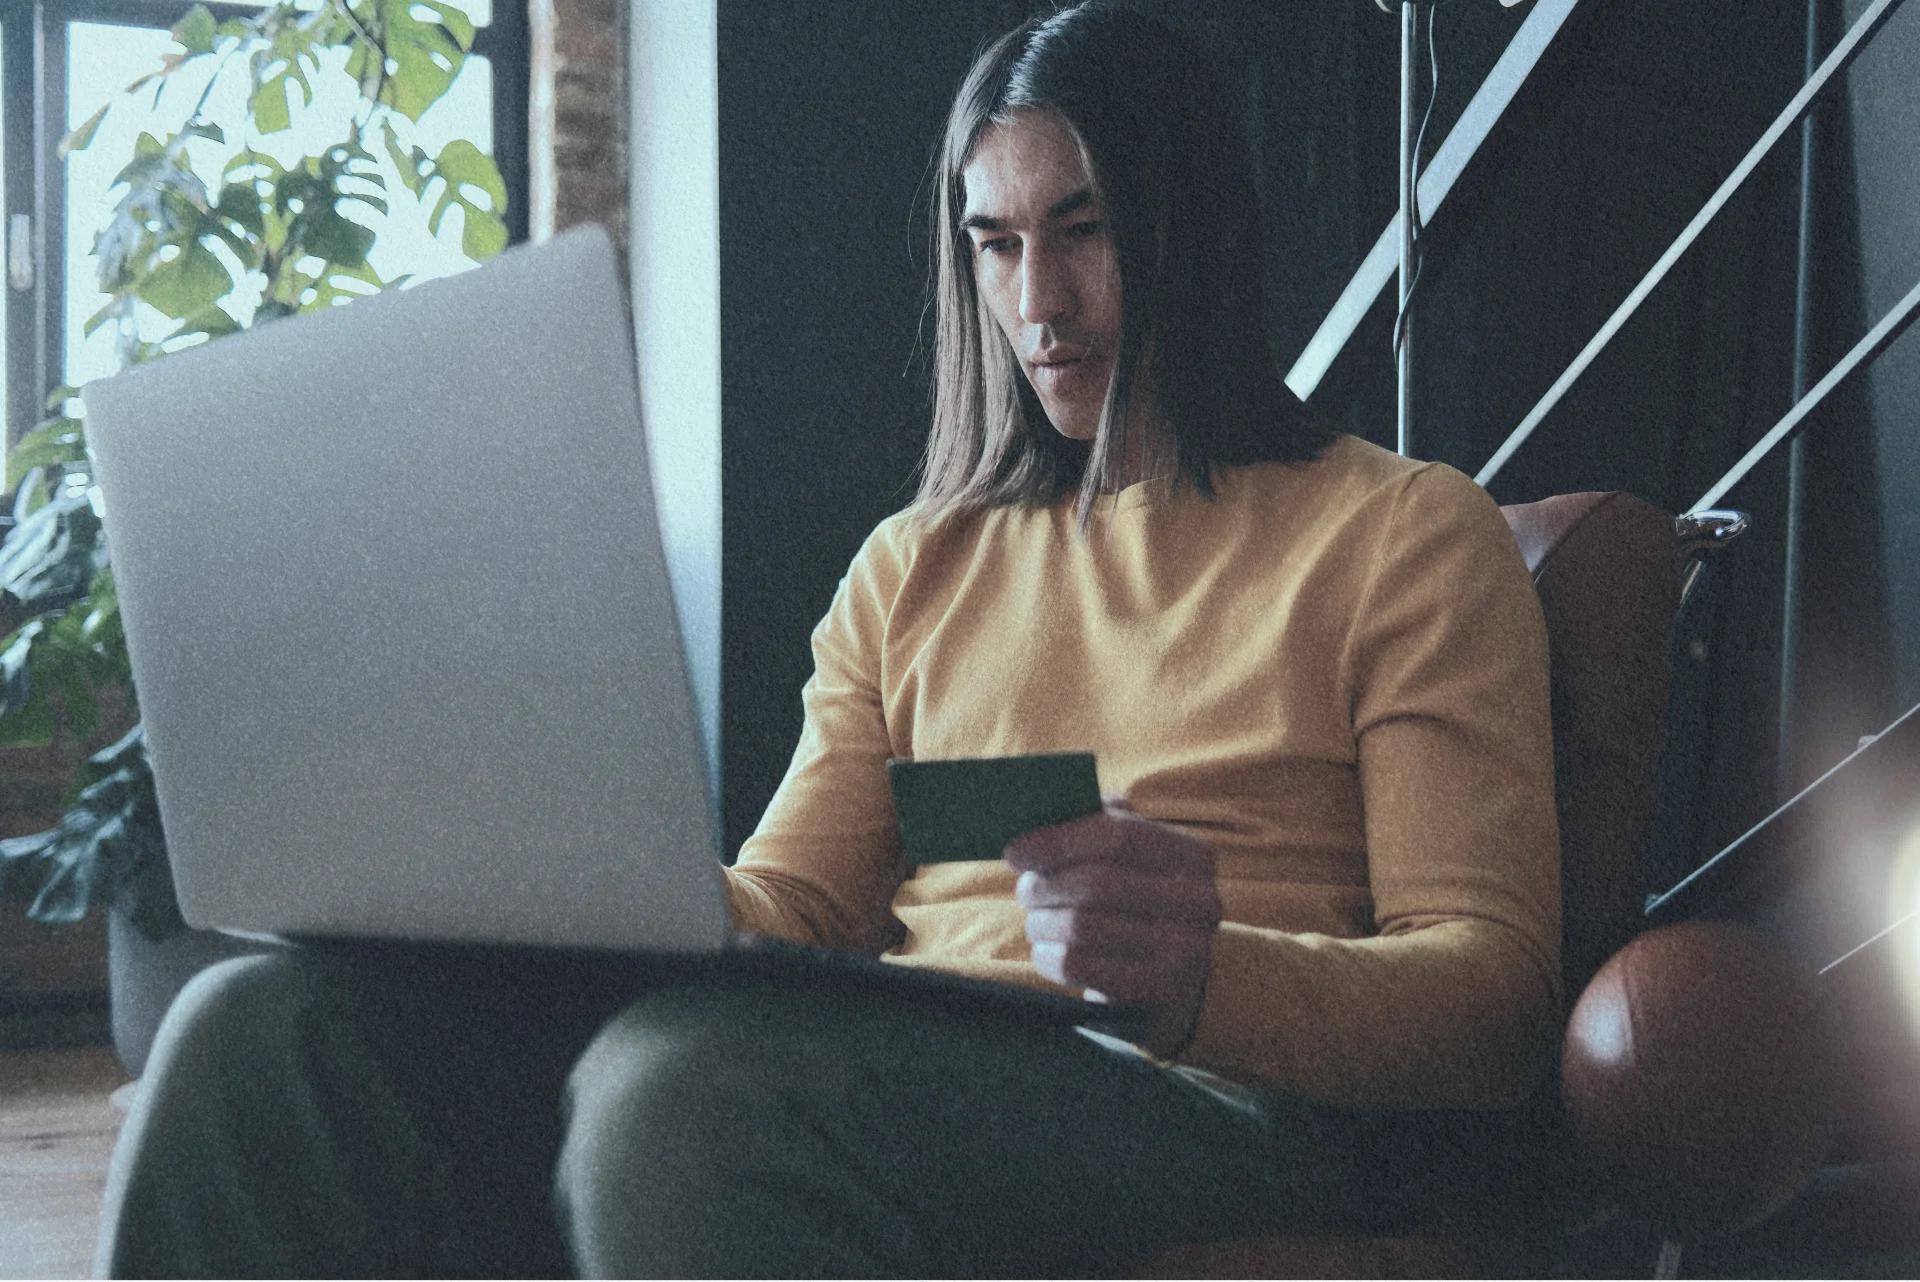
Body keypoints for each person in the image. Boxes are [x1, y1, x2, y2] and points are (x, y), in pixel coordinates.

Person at [96, 4, 1561, 1276]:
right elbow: (793, 899)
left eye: (1084, 230)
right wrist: (536, 880)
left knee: (689, 1094)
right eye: (995, 246)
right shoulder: (915, 569)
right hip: (900, 1066)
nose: (1036, 306)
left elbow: (1492, 999)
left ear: (1197, 225)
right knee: (259, 1042)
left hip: (1212, 1098)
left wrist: (1206, 975)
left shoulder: (1403, 535)